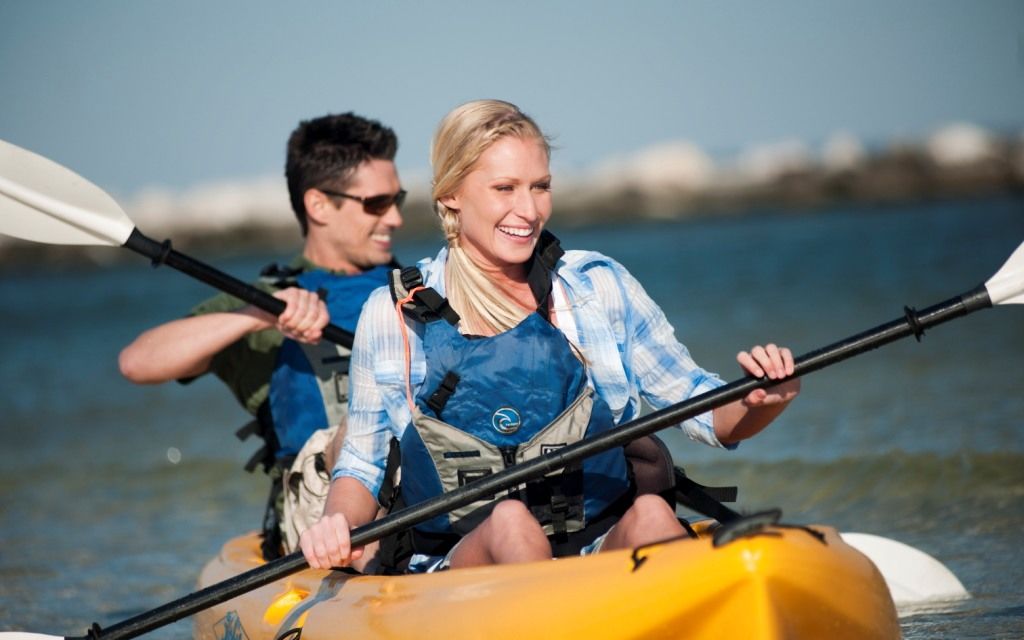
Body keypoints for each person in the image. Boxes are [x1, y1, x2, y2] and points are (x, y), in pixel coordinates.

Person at [299, 100, 800, 573]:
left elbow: (707, 412)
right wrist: (336, 524)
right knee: (512, 524)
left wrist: (762, 399)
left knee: (652, 514)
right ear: (451, 193)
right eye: (505, 188)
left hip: (596, 541)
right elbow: (362, 463)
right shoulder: (394, 313)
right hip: (463, 564)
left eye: (540, 186)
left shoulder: (595, 286)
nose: (530, 210)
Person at [119, 112, 405, 558]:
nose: (396, 218)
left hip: (420, 482)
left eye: (398, 199)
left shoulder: (421, 287)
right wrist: (257, 316)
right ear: (318, 205)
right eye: (376, 204)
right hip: (320, 513)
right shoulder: (266, 302)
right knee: (360, 433)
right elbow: (138, 362)